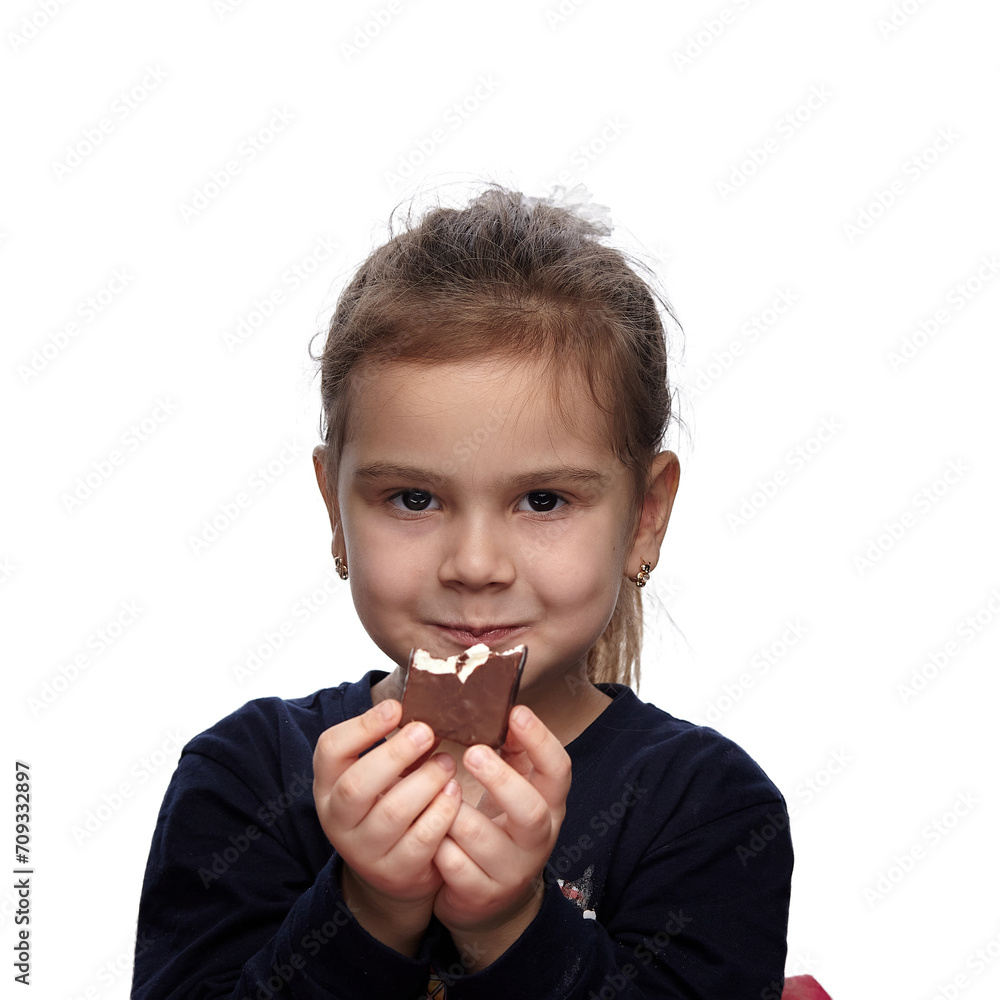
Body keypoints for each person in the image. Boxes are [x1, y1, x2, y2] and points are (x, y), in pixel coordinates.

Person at [131, 185, 792, 999]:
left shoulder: (708, 807)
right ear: (335, 510)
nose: (475, 563)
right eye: (413, 499)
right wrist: (366, 907)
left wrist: (510, 924)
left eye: (543, 500)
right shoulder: (247, 778)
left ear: (645, 517)